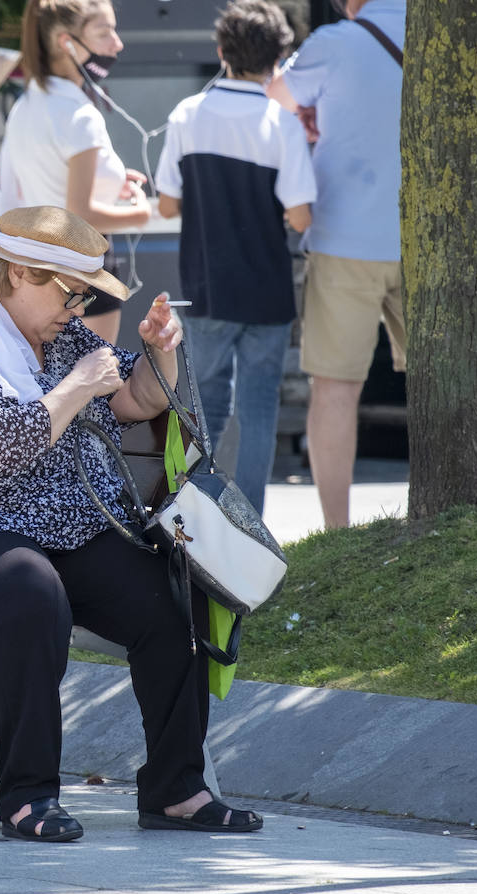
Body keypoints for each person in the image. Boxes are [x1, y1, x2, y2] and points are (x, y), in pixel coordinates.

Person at [0, 205, 263, 840]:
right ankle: (27, 797)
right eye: (71, 295)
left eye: (84, 298)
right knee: (29, 593)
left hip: (53, 523)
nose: (78, 311)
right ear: (18, 273)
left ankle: (176, 788)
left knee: (168, 593)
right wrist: (76, 386)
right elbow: (0, 456)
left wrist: (161, 353)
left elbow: (135, 400)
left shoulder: (63, 336)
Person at [153, 0, 315, 512]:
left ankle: (197, 515)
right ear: (278, 59)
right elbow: (301, 218)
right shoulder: (281, 123)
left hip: (207, 285)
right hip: (266, 288)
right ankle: (252, 524)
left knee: (207, 406)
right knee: (259, 407)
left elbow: (167, 202)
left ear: (221, 51)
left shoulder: (187, 114)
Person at [267, 0, 406, 528]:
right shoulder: (448, 32)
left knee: (335, 388)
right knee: (444, 381)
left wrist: (316, 109)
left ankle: (337, 531)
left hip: (344, 236)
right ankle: (455, 515)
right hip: (428, 240)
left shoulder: (334, 43)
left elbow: (275, 96)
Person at [0, 0, 151, 345]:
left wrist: (111, 185)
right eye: (104, 31)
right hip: (81, 271)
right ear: (66, 41)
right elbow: (80, 215)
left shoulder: (27, 104)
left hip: (31, 270)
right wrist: (142, 213)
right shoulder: (80, 115)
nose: (117, 43)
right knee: (91, 386)